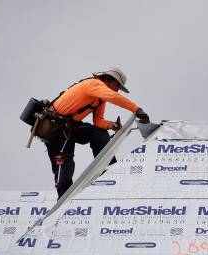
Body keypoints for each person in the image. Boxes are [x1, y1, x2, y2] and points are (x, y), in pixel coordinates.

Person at [45, 68, 150, 198]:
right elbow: (113, 97)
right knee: (64, 167)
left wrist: (112, 125)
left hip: (69, 127)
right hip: (55, 129)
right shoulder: (94, 84)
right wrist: (137, 109)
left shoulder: (99, 98)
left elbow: (98, 121)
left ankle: (107, 169)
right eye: (117, 86)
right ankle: (63, 201)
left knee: (99, 133)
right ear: (108, 79)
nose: (117, 90)